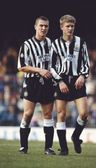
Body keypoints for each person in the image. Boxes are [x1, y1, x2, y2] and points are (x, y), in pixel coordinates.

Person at [51, 14, 90, 155]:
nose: (70, 28)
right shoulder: (55, 44)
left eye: (72, 26)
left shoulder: (81, 42)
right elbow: (51, 66)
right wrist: (59, 81)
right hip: (62, 81)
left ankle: (75, 136)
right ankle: (64, 148)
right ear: (61, 27)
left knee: (84, 113)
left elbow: (86, 62)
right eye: (67, 26)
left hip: (77, 80)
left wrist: (82, 76)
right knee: (61, 114)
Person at [17, 16, 56, 155]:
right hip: (31, 82)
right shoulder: (27, 45)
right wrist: (39, 70)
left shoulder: (51, 43)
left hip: (47, 83)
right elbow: (21, 67)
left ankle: (48, 148)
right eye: (41, 26)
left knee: (47, 114)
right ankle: (23, 147)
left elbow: (55, 63)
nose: (43, 28)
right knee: (27, 114)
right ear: (35, 27)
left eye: (46, 26)